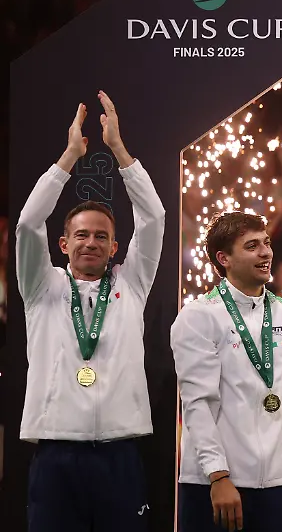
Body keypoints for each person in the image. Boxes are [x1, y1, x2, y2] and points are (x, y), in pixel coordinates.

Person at [16, 92, 165, 532]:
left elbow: (153, 217)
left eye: (102, 236)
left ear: (115, 247)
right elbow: (27, 223)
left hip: (119, 452)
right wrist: (68, 158)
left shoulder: (131, 284)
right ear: (64, 244)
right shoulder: (41, 285)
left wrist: (119, 151)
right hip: (56, 451)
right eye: (81, 235)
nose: (91, 242)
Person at [171, 212, 282, 532]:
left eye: (266, 243)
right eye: (252, 246)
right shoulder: (199, 316)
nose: (265, 252)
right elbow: (198, 404)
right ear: (223, 258)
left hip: (277, 483)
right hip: (213, 485)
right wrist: (218, 475)